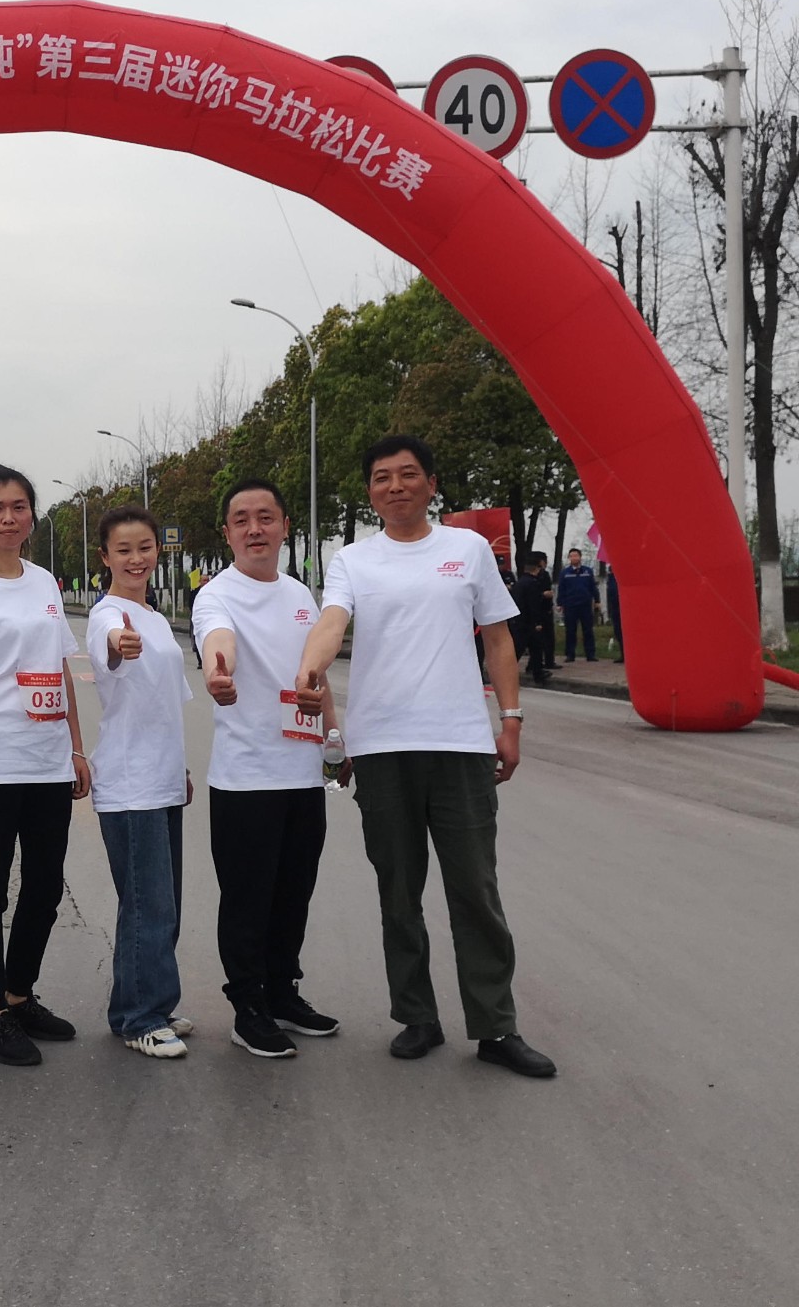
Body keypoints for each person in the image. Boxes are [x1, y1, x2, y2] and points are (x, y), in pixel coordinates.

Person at [296, 436, 556, 1079]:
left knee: (475, 890)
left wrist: (511, 720)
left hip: (460, 744)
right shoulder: (353, 559)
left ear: (431, 484)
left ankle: (496, 1026)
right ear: (370, 492)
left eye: (408, 474)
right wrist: (312, 664)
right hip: (382, 749)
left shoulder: (466, 550)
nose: (396, 486)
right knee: (398, 890)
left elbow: (498, 640)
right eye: (382, 477)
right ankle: (417, 1016)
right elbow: (333, 621)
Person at [0, 464, 91, 1066]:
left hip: (48, 761)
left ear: (31, 516)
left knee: (46, 887)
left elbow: (60, 671)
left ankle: (19, 994)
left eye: (19, 507)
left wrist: (76, 747)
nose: (8, 518)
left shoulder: (45, 583)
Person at [193, 481, 344, 1062]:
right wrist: (218, 672)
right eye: (241, 520)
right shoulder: (215, 596)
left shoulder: (301, 594)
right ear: (227, 532)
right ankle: (248, 1007)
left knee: (293, 894)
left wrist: (334, 741)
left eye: (265, 517)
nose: (254, 529)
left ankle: (283, 992)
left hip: (302, 776)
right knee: (247, 900)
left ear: (284, 526)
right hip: (246, 780)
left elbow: (317, 676)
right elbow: (218, 642)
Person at [86, 506, 194, 1060]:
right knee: (148, 907)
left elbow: (166, 704)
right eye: (123, 550)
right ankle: (140, 1019)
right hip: (130, 784)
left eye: (145, 547)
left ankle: (142, 1003)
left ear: (158, 551)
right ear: (105, 557)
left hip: (163, 779)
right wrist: (117, 645)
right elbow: (111, 644)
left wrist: (182, 770)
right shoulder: (107, 615)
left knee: (161, 904)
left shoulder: (155, 617)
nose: (136, 559)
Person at [510, 554, 551, 685]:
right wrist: (537, 622)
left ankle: (537, 672)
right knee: (530, 648)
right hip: (529, 623)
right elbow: (533, 605)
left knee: (533, 648)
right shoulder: (533, 584)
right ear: (537, 568)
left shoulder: (519, 583)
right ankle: (536, 674)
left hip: (518, 621)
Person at [558, 547, 599, 662]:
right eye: (571, 556)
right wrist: (560, 603)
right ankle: (570, 654)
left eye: (576, 556)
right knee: (570, 630)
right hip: (570, 605)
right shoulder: (565, 573)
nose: (574, 558)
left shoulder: (587, 571)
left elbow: (593, 587)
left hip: (585, 605)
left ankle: (590, 654)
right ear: (569, 558)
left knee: (588, 630)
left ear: (580, 557)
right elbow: (561, 589)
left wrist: (597, 600)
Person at [607, 567, 624, 664]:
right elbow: (610, 593)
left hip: (624, 607)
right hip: (615, 608)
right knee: (618, 632)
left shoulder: (623, 575)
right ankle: (623, 654)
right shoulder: (611, 577)